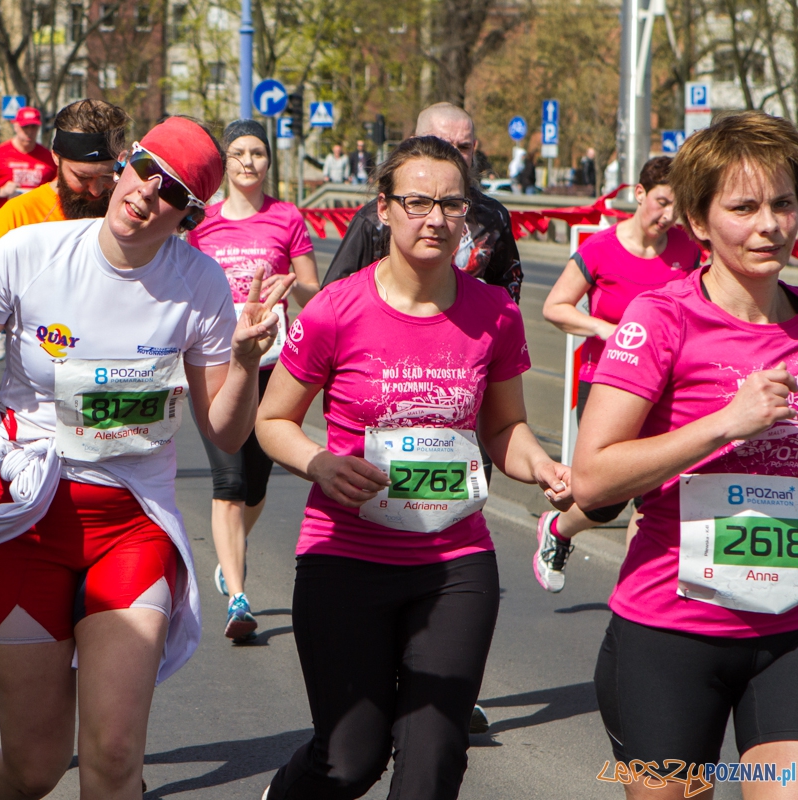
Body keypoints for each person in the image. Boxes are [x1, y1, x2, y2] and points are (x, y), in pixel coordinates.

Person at [0, 115, 290, 800]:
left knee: (112, 758)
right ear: (124, 164)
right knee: (35, 767)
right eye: (143, 170)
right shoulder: (28, 252)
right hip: (25, 522)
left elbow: (224, 434)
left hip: (129, 528)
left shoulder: (197, 285)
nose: (145, 194)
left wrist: (248, 362)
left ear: (188, 214)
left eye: (170, 193)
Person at [255, 135, 571, 800]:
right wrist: (320, 463)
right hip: (345, 558)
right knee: (347, 761)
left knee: (433, 764)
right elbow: (272, 421)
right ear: (383, 210)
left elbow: (505, 428)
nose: (436, 219)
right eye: (419, 201)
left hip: (454, 563)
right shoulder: (336, 309)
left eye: (451, 204)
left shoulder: (495, 313)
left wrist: (541, 463)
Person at [573, 109, 798, 800]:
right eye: (745, 207)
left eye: (784, 203)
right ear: (698, 222)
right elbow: (592, 475)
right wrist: (725, 424)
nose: (770, 225)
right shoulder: (662, 318)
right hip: (670, 633)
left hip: (787, 634)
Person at [536, 156, 703, 592]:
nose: (668, 216)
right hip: (608, 381)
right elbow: (554, 307)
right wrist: (607, 329)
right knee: (608, 499)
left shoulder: (687, 248)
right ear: (640, 194)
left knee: (655, 493)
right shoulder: (601, 248)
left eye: (677, 207)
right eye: (662, 202)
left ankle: (635, 592)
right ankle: (558, 530)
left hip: (669, 385)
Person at [187, 118, 319, 642]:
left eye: (257, 153)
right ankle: (239, 600)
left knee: (258, 482)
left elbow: (313, 289)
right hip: (215, 363)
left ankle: (229, 550)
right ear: (225, 161)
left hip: (273, 363)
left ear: (269, 162)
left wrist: (296, 290)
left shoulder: (287, 218)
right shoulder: (201, 221)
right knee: (230, 482)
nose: (248, 161)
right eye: (238, 152)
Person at [0, 99, 129, 363]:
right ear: (56, 158)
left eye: (106, 177)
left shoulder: (131, 210)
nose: (95, 191)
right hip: (40, 384)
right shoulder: (18, 215)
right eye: (81, 177)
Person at [324, 103, 524, 302]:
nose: (453, 156)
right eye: (441, 145)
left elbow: (507, 289)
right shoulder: (376, 218)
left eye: (463, 147)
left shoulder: (492, 216)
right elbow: (333, 296)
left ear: (474, 148)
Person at [0, 107, 56, 207]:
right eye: (25, 127)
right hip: (8, 219)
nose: (29, 131)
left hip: (38, 219)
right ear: (15, 126)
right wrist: (0, 192)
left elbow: (60, 189)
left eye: (33, 127)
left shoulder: (49, 157)